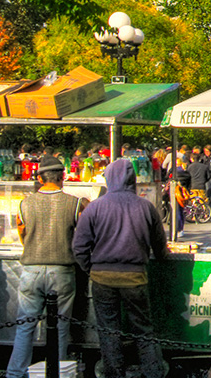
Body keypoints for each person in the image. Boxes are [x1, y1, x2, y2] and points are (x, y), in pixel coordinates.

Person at [73, 158, 169, 378]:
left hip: (102, 279)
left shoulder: (95, 207)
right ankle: (153, 372)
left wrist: (92, 269)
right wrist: (162, 258)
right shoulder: (146, 207)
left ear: (108, 178)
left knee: (109, 331)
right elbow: (160, 247)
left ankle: (114, 374)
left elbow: (79, 247)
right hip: (135, 278)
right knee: (143, 331)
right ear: (132, 179)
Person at [7, 155, 86, 378]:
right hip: (62, 271)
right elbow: (81, 237)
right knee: (60, 328)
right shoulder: (75, 203)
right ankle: (56, 371)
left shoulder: (24, 203)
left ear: (40, 178)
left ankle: (15, 373)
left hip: (31, 270)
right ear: (63, 178)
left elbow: (22, 233)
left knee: (25, 327)